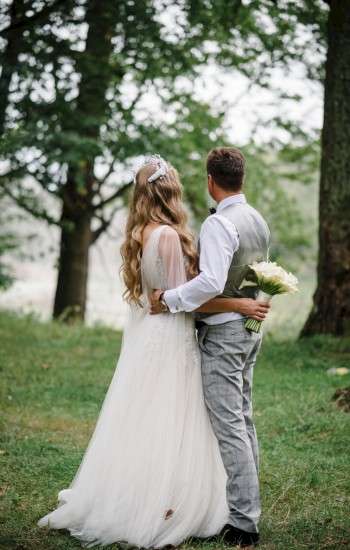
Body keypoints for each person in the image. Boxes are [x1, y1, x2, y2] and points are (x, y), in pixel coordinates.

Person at [37, 154, 269, 548]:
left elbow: (181, 293)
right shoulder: (197, 230)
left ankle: (219, 507)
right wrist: (241, 304)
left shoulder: (150, 231)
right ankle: (177, 503)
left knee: (173, 420)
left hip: (176, 335)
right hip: (181, 337)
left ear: (211, 181)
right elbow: (189, 297)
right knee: (186, 421)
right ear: (170, 191)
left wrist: (224, 301)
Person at [150, 147, 270, 548]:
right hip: (250, 328)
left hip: (223, 331)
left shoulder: (220, 224)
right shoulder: (256, 220)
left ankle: (242, 522)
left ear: (209, 180)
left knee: (230, 425)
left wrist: (168, 298)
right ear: (242, 178)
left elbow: (211, 282)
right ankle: (247, 510)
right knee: (244, 418)